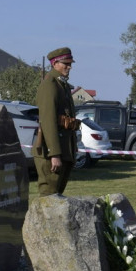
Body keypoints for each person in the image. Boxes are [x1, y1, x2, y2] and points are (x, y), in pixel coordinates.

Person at [34, 47, 79, 196]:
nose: (69, 67)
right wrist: (54, 154)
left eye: (70, 63)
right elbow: (47, 121)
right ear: (55, 63)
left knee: (57, 197)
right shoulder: (50, 85)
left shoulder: (62, 85)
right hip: (51, 152)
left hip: (64, 149)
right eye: (65, 63)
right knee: (49, 197)